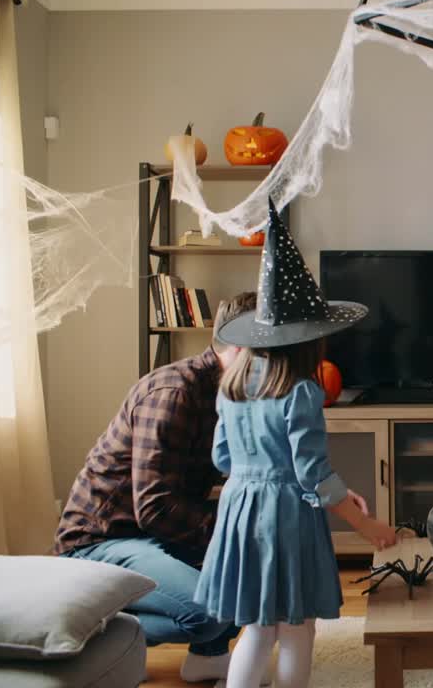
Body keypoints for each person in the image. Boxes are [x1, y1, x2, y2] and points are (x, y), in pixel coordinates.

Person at [54, 290, 374, 684]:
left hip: (159, 536)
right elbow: (154, 509)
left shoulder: (231, 392)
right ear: (247, 342)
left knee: (246, 595)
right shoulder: (175, 392)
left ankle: (210, 656)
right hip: (106, 541)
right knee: (219, 603)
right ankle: (91, 629)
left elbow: (242, 461)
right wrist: (241, 542)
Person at [194, 201, 399, 688]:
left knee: (258, 627)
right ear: (309, 340)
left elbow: (222, 457)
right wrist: (366, 525)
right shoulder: (302, 391)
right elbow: (311, 474)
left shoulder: (232, 387)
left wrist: (261, 475)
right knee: (298, 628)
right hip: (287, 519)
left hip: (241, 511)